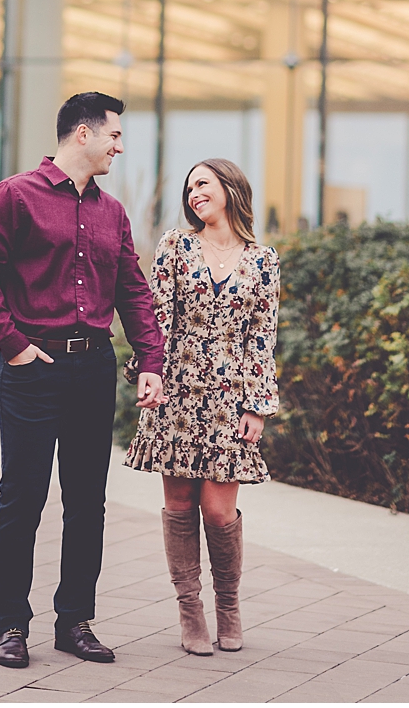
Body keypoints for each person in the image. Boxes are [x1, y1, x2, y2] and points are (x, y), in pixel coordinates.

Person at [0, 91, 167, 669]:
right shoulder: (14, 196)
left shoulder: (113, 212)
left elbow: (132, 289)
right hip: (33, 368)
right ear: (83, 134)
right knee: (22, 498)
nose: (120, 147)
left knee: (87, 501)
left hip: (93, 368)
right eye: (115, 136)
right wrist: (15, 345)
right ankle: (9, 624)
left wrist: (150, 360)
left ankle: (75, 621)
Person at [124, 158, 280, 656]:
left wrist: (256, 405)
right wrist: (145, 372)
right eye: (189, 187)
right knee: (179, 505)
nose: (194, 194)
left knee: (218, 510)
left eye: (203, 184)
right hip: (177, 394)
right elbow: (155, 315)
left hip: (229, 401)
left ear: (230, 189)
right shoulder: (176, 245)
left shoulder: (263, 260)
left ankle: (229, 607)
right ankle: (190, 611)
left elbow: (263, 337)